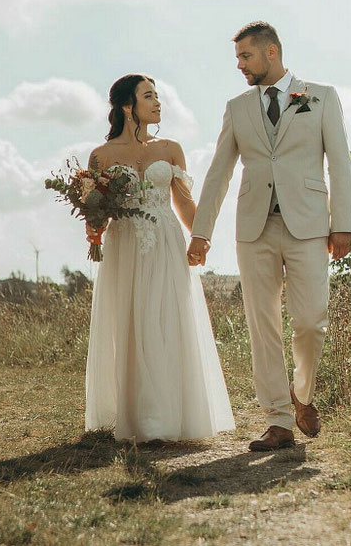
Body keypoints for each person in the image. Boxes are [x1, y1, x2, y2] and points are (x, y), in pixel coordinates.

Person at [188, 22, 351, 452]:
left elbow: (340, 162)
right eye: (238, 59)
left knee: (310, 322)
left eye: (246, 57)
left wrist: (344, 223)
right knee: (262, 325)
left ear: (272, 53)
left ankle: (302, 394)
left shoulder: (321, 97)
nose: (240, 66)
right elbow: (219, 173)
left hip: (310, 227)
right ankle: (278, 420)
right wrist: (201, 233)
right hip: (254, 228)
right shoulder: (237, 108)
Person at [84, 74, 235, 443]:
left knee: (167, 320)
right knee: (131, 323)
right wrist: (93, 225)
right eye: (148, 96)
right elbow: (95, 212)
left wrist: (200, 238)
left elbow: (183, 202)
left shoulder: (170, 149)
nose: (157, 102)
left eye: (157, 96)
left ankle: (166, 415)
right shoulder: (101, 157)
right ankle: (137, 415)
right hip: (124, 247)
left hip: (166, 241)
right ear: (126, 106)